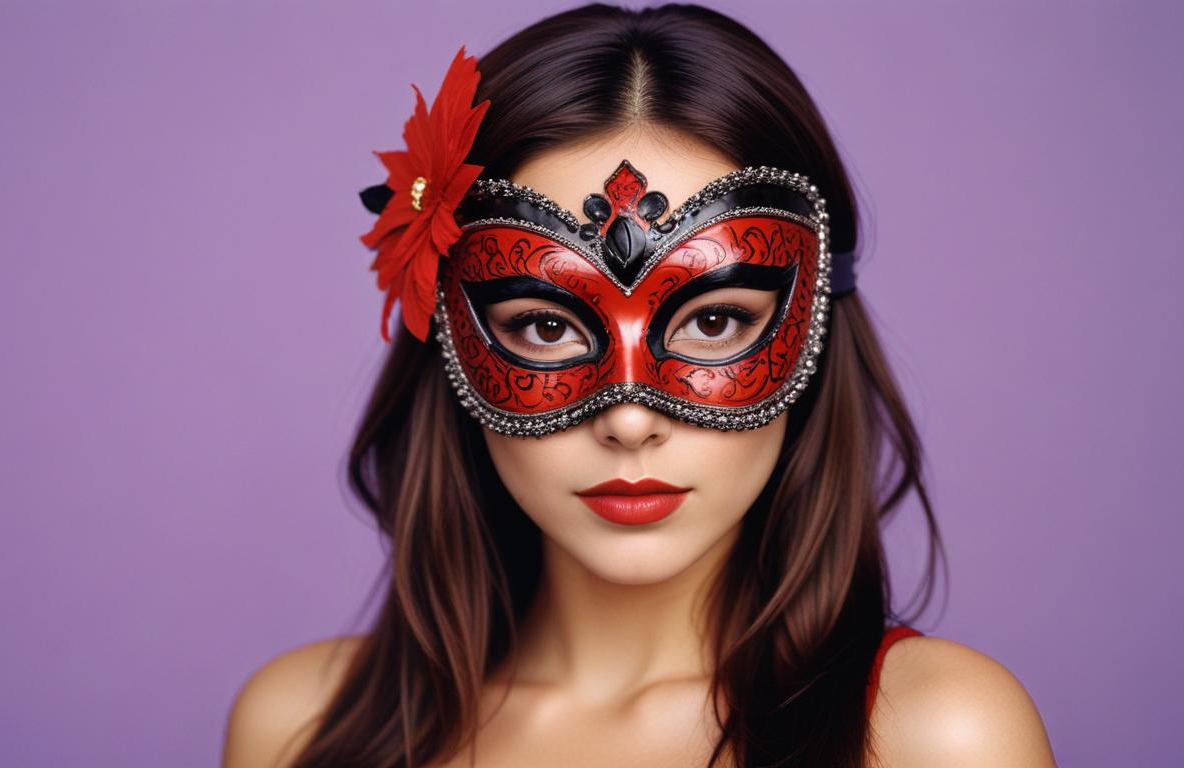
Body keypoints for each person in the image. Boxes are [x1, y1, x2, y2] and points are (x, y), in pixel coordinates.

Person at [222, 4, 1056, 767]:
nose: (628, 422)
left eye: (715, 320)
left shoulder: (938, 736)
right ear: (450, 339)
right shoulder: (296, 727)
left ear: (814, 326)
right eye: (546, 326)